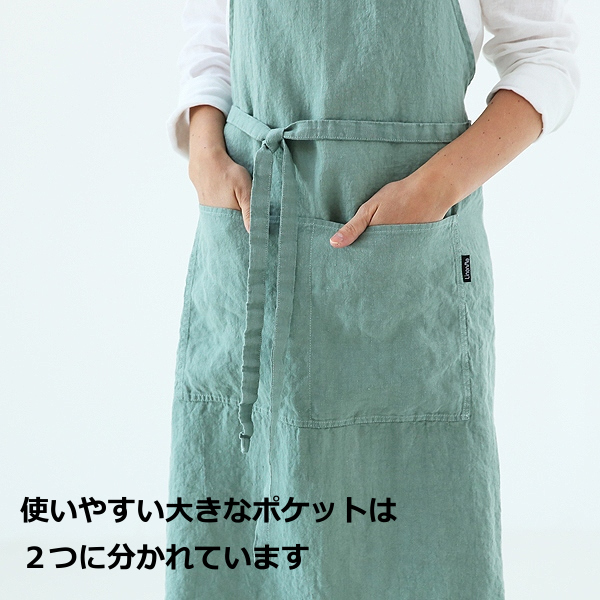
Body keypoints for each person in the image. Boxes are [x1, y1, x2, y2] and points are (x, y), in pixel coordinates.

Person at [164, 1, 579, 598]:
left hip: (411, 249)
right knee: (252, 499)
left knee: (415, 502)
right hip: (257, 225)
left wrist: (436, 187)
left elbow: (545, 55)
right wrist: (205, 156)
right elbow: (212, 38)